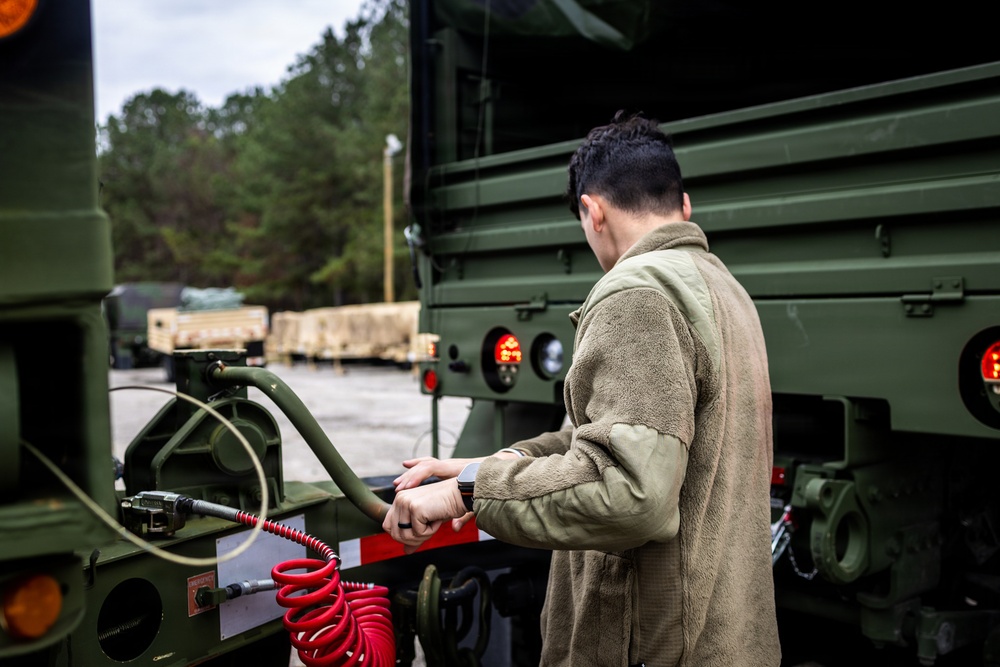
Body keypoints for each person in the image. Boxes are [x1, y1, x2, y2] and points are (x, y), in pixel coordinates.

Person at [383, 111, 781, 666]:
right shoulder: (721, 288)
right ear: (684, 207)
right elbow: (605, 439)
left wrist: (466, 494)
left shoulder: (636, 295)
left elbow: (630, 493)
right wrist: (488, 465)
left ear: (593, 211)